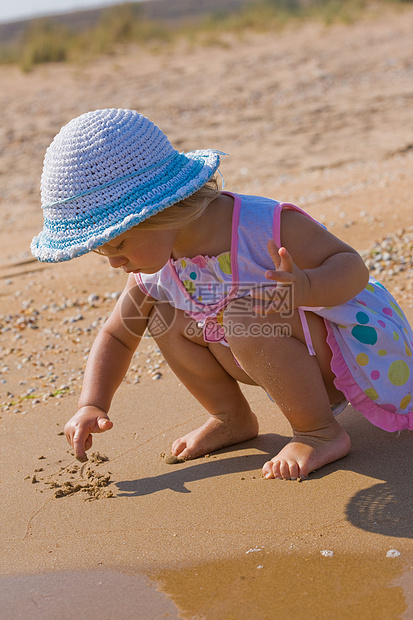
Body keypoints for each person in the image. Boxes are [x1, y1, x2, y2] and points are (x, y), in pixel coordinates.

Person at [31, 108, 413, 480]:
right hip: (271, 355)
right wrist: (92, 403)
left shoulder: (261, 226)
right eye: (104, 251)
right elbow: (117, 334)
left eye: (118, 245)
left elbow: (353, 267)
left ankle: (319, 432)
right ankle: (231, 418)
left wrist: (306, 287)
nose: (114, 263)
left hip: (348, 350)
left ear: (157, 213)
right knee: (164, 318)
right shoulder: (158, 268)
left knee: (242, 316)